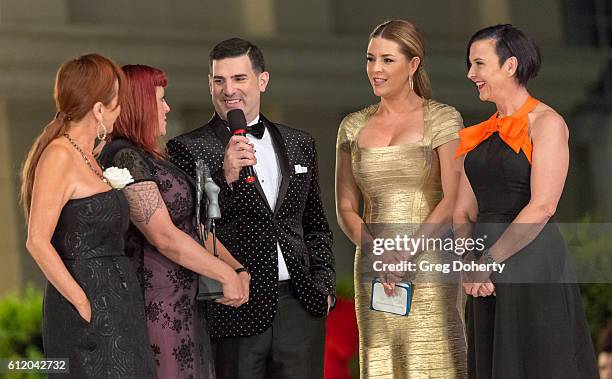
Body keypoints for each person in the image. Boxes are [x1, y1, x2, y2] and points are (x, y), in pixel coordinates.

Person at [167, 37, 335, 379]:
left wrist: (324, 289)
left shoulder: (299, 142)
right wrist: (224, 177)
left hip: (300, 308)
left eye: (239, 78)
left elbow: (315, 222)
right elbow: (191, 227)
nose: (228, 89)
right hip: (235, 308)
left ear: (262, 80)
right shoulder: (187, 148)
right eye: (219, 80)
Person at [454, 24, 598, 378]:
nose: (471, 74)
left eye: (479, 64)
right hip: (482, 269)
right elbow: (463, 210)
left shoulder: (547, 123)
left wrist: (487, 260)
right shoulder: (482, 131)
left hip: (531, 260)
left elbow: (543, 206)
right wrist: (467, 259)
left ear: (511, 65)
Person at [98, 64, 248, 379]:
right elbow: (163, 236)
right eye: (160, 100)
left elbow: (193, 226)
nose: (166, 108)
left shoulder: (151, 156)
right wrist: (225, 274)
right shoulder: (124, 156)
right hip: (156, 306)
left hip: (184, 303)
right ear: (139, 105)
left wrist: (237, 267)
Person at [335, 20, 467, 378]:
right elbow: (346, 207)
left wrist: (406, 253)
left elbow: (453, 198)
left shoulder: (443, 118)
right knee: (381, 362)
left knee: (433, 361)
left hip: (428, 261)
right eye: (370, 59)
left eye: (387, 60)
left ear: (413, 64)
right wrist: (377, 251)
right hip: (374, 265)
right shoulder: (351, 126)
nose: (376, 69)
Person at [21, 54, 156, 377]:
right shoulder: (58, 156)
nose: (120, 111)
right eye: (116, 103)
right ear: (98, 109)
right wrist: (83, 303)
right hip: (88, 310)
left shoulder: (89, 157)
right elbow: (37, 241)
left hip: (120, 306)